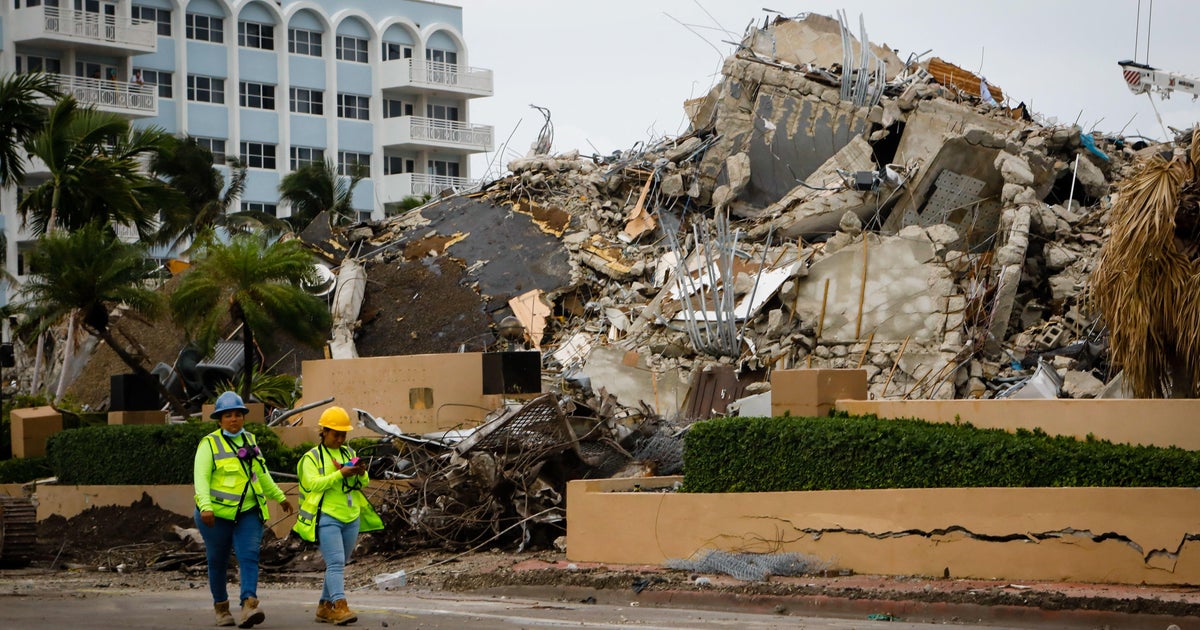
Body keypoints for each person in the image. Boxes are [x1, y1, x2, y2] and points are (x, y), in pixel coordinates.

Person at [194, 391, 294, 628]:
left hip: (248, 512)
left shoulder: (250, 440)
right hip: (216, 516)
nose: (233, 419)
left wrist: (279, 496)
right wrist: (205, 506)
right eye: (227, 415)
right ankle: (221, 608)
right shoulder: (209, 444)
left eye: (238, 414)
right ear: (219, 420)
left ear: (243, 417)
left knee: (249, 555)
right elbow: (201, 477)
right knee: (218, 561)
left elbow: (261, 472)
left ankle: (249, 604)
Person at [293, 406, 383, 626]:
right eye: (336, 434)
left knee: (339, 563)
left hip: (351, 516)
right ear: (323, 431)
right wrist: (339, 474)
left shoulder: (348, 454)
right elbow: (312, 484)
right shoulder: (311, 458)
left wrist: (360, 473)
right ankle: (339, 606)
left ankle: (324, 606)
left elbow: (363, 483)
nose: (340, 439)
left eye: (344, 434)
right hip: (327, 517)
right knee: (335, 562)